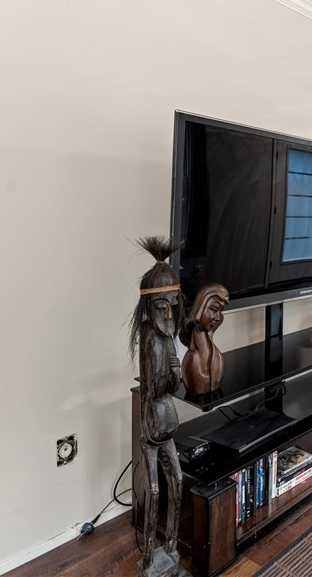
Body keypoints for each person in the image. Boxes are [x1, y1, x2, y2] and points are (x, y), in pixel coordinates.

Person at [129, 236, 185, 575]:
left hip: (166, 423)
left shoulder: (168, 338)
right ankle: (150, 559)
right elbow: (152, 389)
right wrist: (173, 376)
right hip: (153, 427)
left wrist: (176, 375)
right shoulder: (151, 338)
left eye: (172, 306)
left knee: (177, 482)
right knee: (152, 488)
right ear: (150, 308)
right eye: (160, 307)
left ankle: (173, 548)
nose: (168, 314)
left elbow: (171, 385)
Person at [181, 283, 229, 394]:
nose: (218, 317)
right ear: (200, 308)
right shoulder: (193, 360)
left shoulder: (218, 357)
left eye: (220, 311)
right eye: (213, 309)